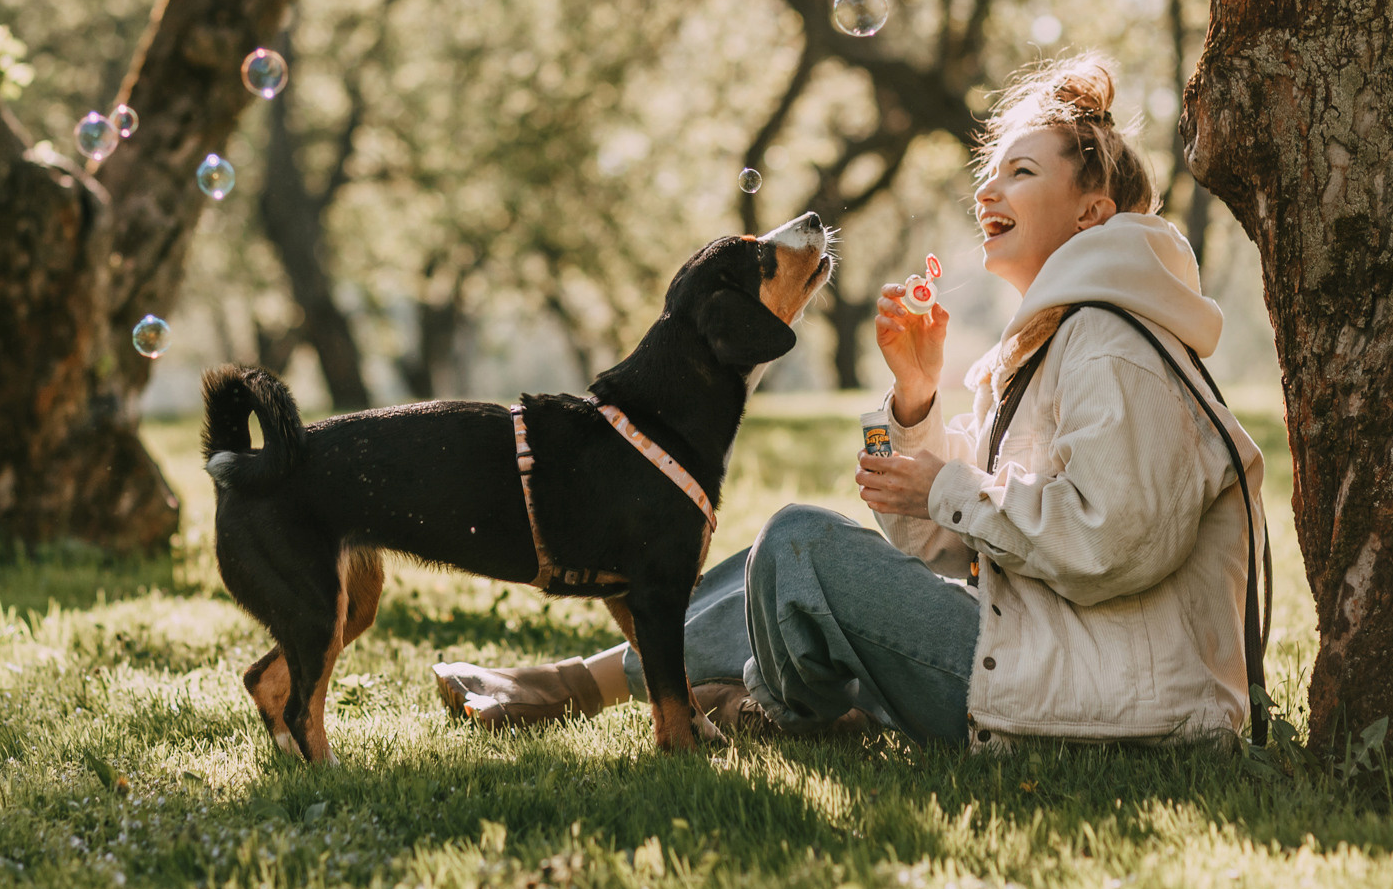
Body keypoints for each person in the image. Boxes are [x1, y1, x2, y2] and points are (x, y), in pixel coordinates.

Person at [435, 54, 1263, 746]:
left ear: (1093, 213)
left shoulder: (1115, 348)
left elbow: (1112, 545)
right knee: (780, 557)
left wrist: (943, 485)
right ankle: (599, 684)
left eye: (1021, 171)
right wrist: (913, 398)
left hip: (1121, 699)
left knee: (799, 547)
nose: (988, 193)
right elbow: (930, 533)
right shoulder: (1057, 343)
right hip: (1050, 654)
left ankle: (782, 703)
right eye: (988, 174)